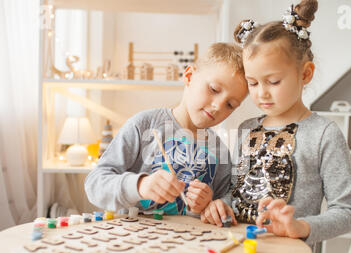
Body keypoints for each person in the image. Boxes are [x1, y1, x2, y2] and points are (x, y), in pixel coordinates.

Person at [202, 0, 351, 253]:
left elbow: (348, 211)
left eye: (273, 81)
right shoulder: (248, 127)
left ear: (305, 74)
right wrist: (219, 203)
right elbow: (236, 190)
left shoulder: (324, 133)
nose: (261, 93)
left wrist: (299, 226)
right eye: (252, 83)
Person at [85, 43, 248, 220]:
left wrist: (212, 205)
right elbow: (95, 185)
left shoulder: (220, 150)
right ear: (189, 76)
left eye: (230, 105)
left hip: (192, 243)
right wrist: (140, 185)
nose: (218, 106)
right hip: (133, 240)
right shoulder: (144, 125)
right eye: (214, 89)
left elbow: (227, 198)